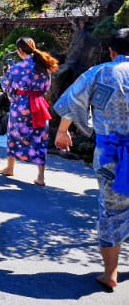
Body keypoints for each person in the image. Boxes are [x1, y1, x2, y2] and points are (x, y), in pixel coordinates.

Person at [54, 28, 129, 292]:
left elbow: (74, 100)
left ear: (111, 50)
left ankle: (110, 273)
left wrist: (64, 131)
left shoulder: (101, 72)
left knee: (111, 211)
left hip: (112, 156)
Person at [0, 37, 58, 186]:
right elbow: (46, 87)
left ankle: (10, 167)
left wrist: (12, 93)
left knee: (14, 136)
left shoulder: (17, 68)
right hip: (38, 104)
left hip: (21, 105)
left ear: (20, 51)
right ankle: (41, 177)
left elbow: (6, 86)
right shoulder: (43, 66)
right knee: (40, 138)